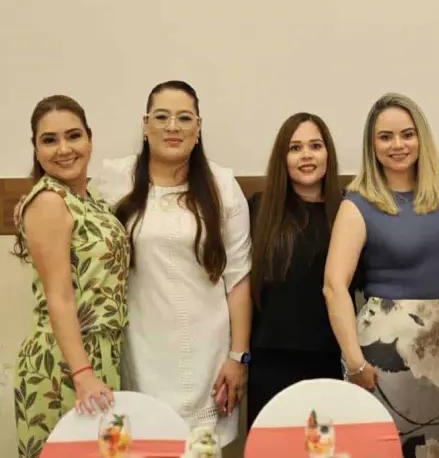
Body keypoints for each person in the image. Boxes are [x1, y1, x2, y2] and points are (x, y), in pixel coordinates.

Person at [91, 80, 251, 445]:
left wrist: (238, 356)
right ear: (145, 125)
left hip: (209, 355)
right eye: (162, 117)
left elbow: (239, 278)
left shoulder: (223, 185)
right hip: (140, 349)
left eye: (184, 118)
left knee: (200, 448)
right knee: (141, 444)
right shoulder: (115, 180)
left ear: (199, 127)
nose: (173, 127)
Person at [323, 93, 439, 458]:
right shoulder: (358, 203)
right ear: (372, 145)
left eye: (407, 134)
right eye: (385, 137)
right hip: (386, 354)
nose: (398, 145)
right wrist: (354, 361)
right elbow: (334, 287)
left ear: (421, 137)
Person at [12, 95, 130, 457]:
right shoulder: (49, 201)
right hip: (63, 364)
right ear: (36, 149)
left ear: (89, 139)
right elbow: (59, 296)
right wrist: (82, 373)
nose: (64, 149)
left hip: (101, 357)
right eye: (49, 140)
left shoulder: (89, 199)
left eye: (73, 136)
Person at [246, 112, 360, 428]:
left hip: (331, 357)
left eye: (315, 146)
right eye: (295, 148)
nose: (306, 155)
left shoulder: (349, 210)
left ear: (328, 154)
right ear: (282, 158)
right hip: (270, 359)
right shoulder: (259, 208)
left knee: (327, 446)